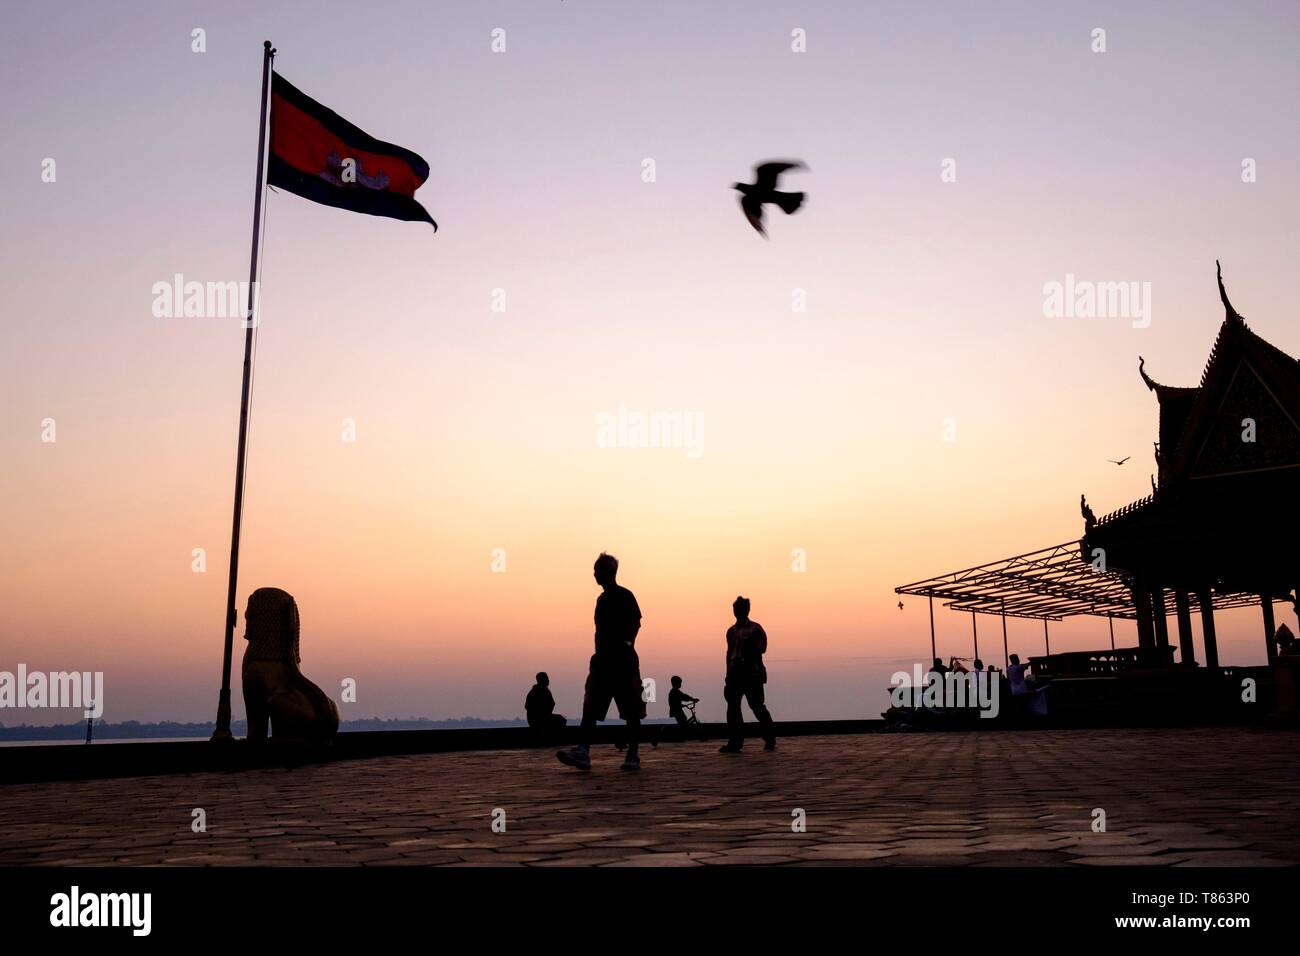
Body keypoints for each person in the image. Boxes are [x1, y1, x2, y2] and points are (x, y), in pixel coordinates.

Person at [557, 553, 645, 772]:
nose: (595, 574)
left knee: (631, 709)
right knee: (591, 706)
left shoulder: (625, 596)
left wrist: (626, 643)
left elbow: (636, 622)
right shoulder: (601, 599)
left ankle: (633, 753)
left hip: (623, 661)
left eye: (598, 570)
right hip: (602, 661)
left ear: (609, 572)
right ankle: (583, 750)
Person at [719, 596, 776, 753]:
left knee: (757, 706)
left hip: (752, 674)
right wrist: (728, 672)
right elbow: (729, 653)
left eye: (740, 608)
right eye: (735, 608)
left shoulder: (755, 629)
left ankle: (770, 737)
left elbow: (761, 648)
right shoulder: (730, 632)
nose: (737, 611)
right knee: (733, 708)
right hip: (734, 675)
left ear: (747, 610)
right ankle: (735, 742)